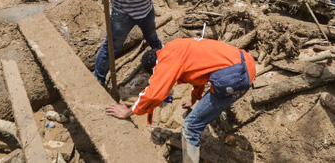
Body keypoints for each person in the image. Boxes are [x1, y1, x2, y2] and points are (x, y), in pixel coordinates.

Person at [106, 37, 256, 163]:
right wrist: (194, 98)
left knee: (190, 127)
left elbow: (154, 94)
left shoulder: (166, 60)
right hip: (242, 63)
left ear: (155, 67)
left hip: (237, 77)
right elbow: (200, 72)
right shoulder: (176, 47)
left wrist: (128, 111)